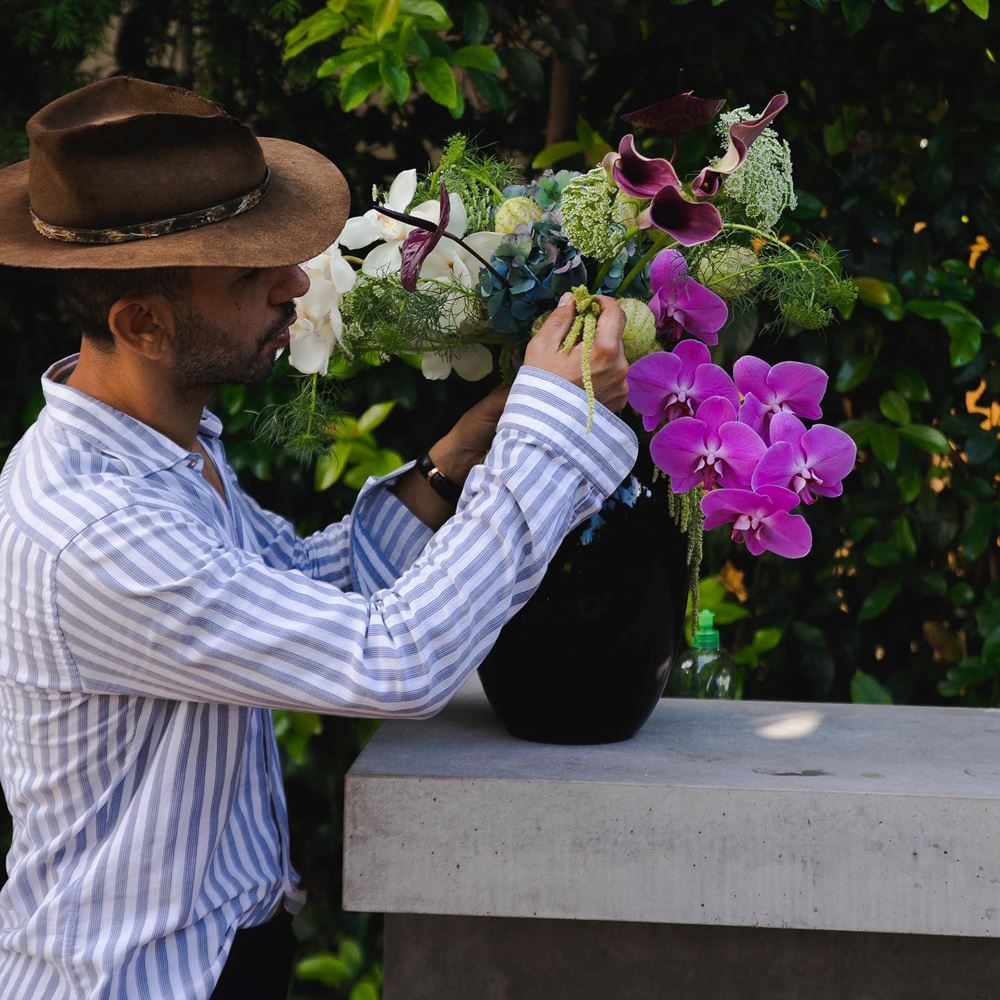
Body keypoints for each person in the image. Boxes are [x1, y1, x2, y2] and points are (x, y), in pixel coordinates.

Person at [0, 77, 635, 999]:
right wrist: (546, 430)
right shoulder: (95, 531)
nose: (296, 282)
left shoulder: (167, 452)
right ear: (140, 323)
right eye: (250, 274)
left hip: (222, 954)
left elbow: (301, 584)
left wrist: (464, 449)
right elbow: (394, 660)